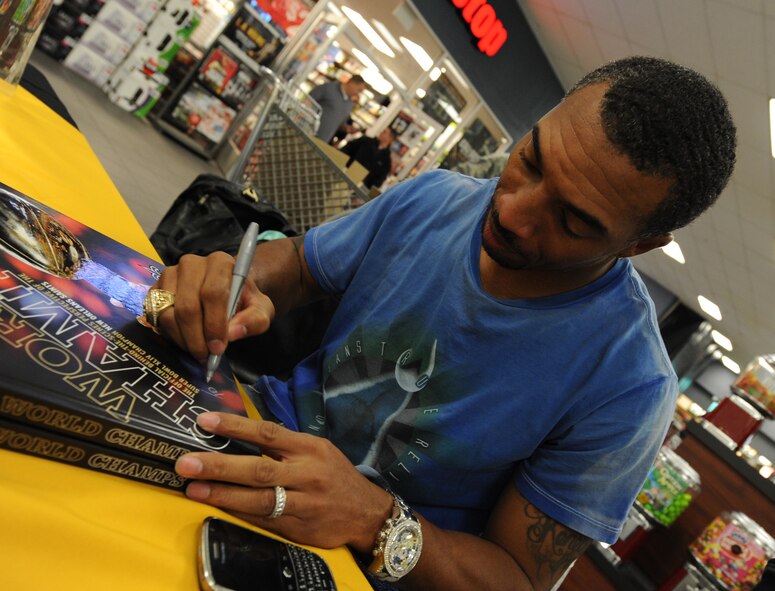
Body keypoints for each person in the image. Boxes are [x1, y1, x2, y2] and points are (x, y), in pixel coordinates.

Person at [148, 56, 736, 590]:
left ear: (640, 243)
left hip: (352, 570)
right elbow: (302, 264)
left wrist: (373, 519)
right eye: (531, 161)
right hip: (241, 435)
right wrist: (233, 280)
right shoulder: (434, 199)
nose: (512, 212)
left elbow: (517, 578)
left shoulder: (629, 385)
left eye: (574, 221)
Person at [309, 74, 367, 144]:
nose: (358, 94)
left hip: (322, 141)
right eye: (359, 90)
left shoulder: (349, 104)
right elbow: (308, 100)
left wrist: (347, 128)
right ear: (352, 83)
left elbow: (339, 123)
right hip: (307, 132)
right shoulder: (329, 88)